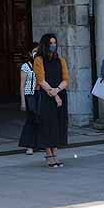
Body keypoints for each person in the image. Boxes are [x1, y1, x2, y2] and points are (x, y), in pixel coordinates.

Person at [33, 33, 69, 167]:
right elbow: (41, 79)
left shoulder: (61, 61)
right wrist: (55, 95)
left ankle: (56, 153)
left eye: (55, 43)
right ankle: (49, 154)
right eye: (51, 43)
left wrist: (58, 90)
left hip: (59, 93)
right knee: (48, 124)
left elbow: (66, 79)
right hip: (46, 96)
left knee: (59, 124)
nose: (53, 45)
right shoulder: (39, 60)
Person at [17, 44, 39, 154]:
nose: (36, 53)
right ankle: (29, 145)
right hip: (29, 95)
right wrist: (23, 101)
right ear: (30, 53)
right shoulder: (26, 66)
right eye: (34, 51)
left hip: (39, 95)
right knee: (31, 119)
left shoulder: (40, 65)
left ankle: (38, 144)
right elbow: (22, 84)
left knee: (38, 119)